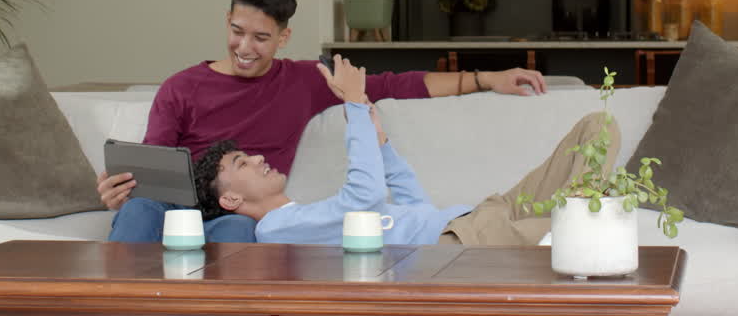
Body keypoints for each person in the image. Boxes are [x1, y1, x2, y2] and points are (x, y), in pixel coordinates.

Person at [98, 0, 549, 244]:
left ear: (283, 37)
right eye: (237, 30)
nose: (244, 47)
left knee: (241, 231)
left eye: (260, 37)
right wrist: (121, 187)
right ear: (227, 20)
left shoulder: (301, 81)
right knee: (138, 210)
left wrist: (485, 78)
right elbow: (152, 167)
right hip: (176, 208)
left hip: (234, 217)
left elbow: (396, 84)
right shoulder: (182, 87)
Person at [192, 56, 618, 246]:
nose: (259, 159)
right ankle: (577, 226)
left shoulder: (309, 214)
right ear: (230, 199)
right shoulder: (276, 231)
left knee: (598, 126)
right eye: (241, 163)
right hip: (466, 240)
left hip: (483, 214)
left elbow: (414, 206)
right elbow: (364, 197)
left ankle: (577, 216)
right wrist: (355, 108)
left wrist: (383, 146)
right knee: (571, 237)